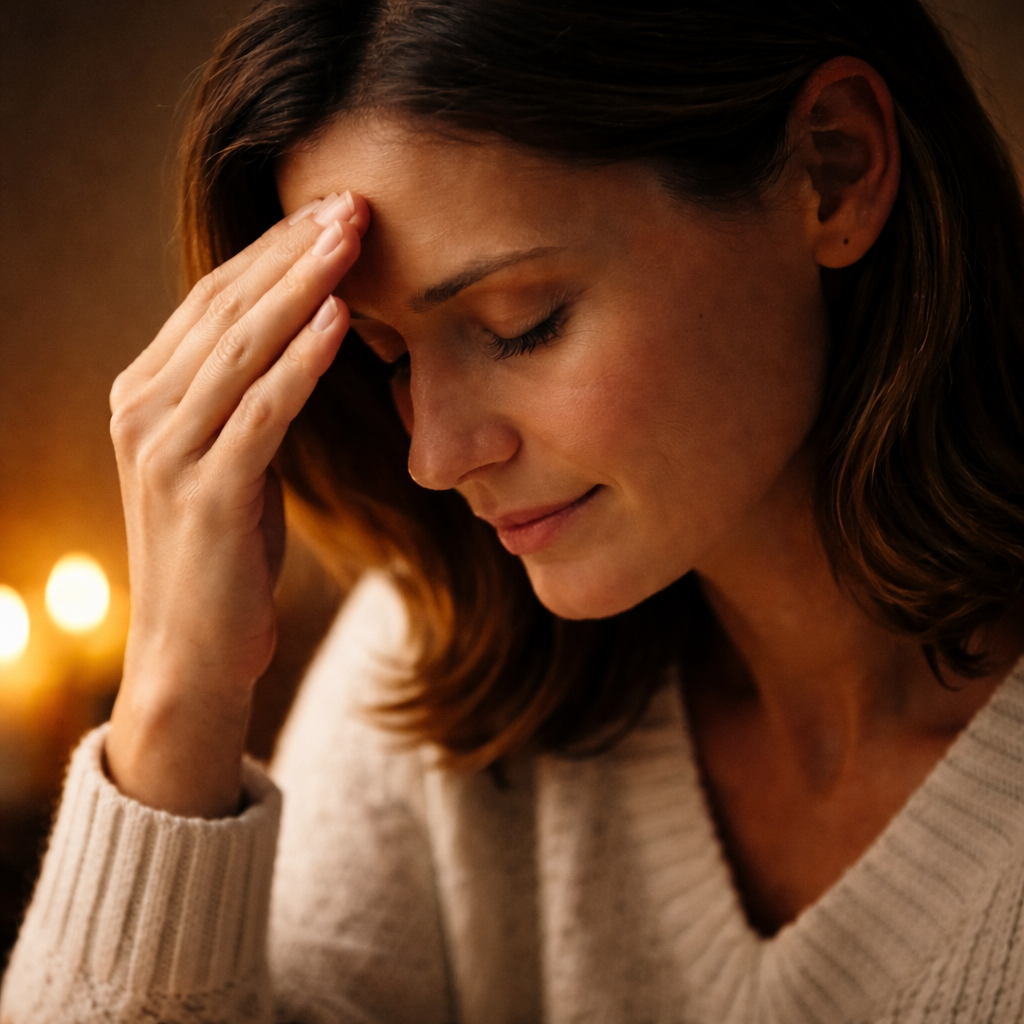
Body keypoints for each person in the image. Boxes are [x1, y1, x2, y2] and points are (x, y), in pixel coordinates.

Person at [3, 0, 1024, 1020]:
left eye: (521, 325)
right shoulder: (436, 657)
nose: (435, 458)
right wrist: (177, 687)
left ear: (831, 168)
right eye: (388, 355)